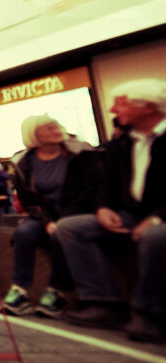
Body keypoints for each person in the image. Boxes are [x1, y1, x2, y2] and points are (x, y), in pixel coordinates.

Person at [57, 80, 166, 342]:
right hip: (133, 214)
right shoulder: (125, 143)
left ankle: (149, 313)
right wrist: (103, 207)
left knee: (155, 236)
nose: (112, 110)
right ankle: (103, 302)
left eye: (121, 104)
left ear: (148, 108)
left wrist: (156, 218)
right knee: (70, 228)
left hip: (160, 215)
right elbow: (108, 182)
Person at [2, 115, 90, 317]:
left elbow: (88, 191)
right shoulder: (22, 162)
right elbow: (28, 201)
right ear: (34, 135)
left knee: (62, 232)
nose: (56, 129)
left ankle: (56, 292)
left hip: (75, 213)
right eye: (48, 128)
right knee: (24, 232)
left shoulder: (80, 152)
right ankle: (20, 290)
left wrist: (58, 222)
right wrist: (46, 221)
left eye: (56, 125)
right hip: (43, 215)